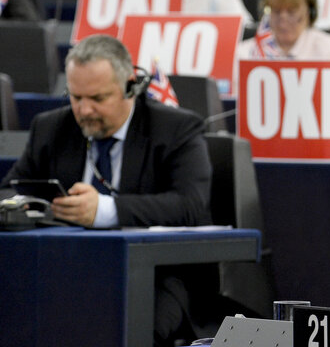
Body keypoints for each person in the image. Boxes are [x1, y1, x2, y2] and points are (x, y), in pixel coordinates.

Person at [0, 35, 214, 346]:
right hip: (62, 270)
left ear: (130, 85)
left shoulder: (176, 129)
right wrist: (36, 209)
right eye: (75, 97)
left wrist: (103, 211)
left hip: (155, 276)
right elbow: (8, 192)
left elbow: (190, 206)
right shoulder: (51, 128)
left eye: (98, 98)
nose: (84, 111)